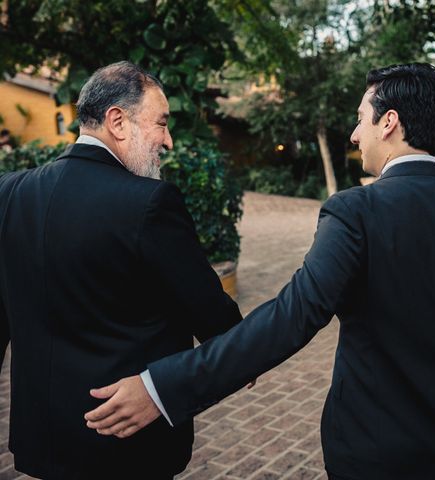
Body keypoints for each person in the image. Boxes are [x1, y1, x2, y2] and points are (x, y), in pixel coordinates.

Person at [86, 63, 435, 479]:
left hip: (370, 449)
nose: (356, 134)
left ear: (389, 121)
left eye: (361, 118)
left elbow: (293, 315)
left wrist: (162, 388)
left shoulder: (355, 212)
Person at [0, 61, 243, 479]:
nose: (167, 141)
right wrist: (241, 352)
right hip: (125, 443)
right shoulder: (150, 202)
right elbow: (211, 314)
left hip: (42, 436)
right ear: (117, 121)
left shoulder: (8, 191)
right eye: (161, 123)